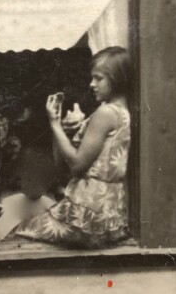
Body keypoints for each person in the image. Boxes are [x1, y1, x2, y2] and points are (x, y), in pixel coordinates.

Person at [10, 46, 132, 249]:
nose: (92, 84)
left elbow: (76, 165)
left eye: (99, 78)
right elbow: (61, 162)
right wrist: (63, 131)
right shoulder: (122, 113)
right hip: (107, 213)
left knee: (17, 237)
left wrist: (54, 124)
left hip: (85, 211)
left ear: (117, 78)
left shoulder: (106, 113)